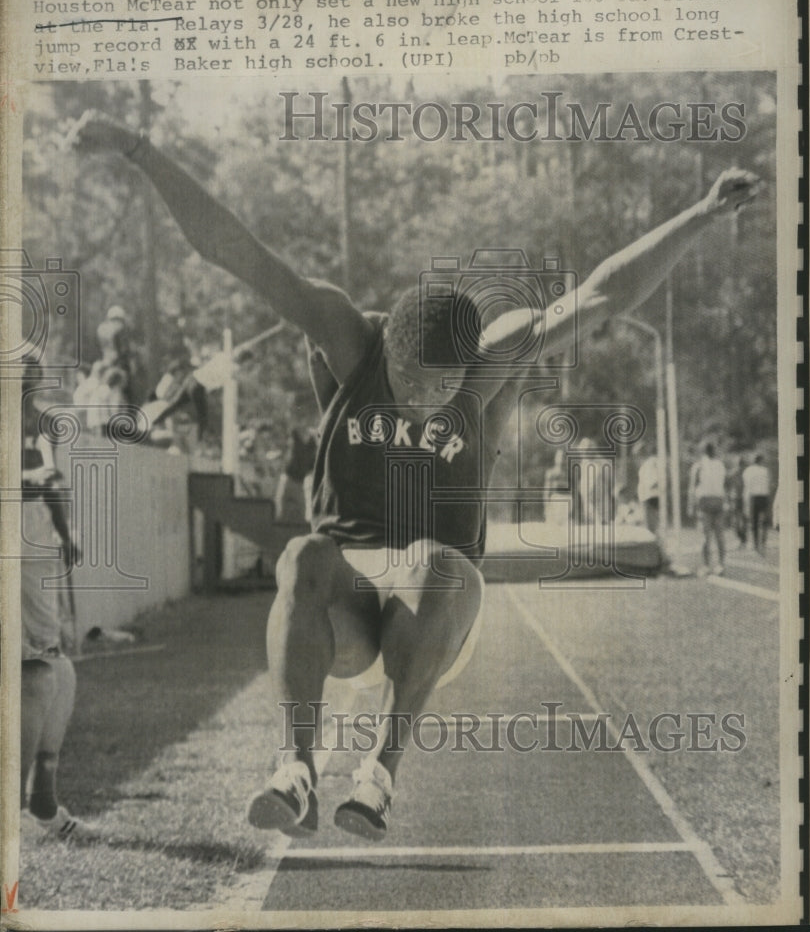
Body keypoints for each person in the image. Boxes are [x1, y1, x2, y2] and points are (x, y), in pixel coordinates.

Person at [70, 109, 759, 841]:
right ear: (384, 352)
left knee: (434, 563)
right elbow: (236, 251)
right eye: (410, 384)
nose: (428, 400)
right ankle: (294, 772)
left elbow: (600, 296)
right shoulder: (348, 337)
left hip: (429, 609)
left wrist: (702, 213)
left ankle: (378, 775)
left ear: (469, 370)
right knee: (302, 552)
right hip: (346, 609)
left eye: (443, 388)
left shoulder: (490, 365)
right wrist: (137, 148)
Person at [20, 357, 99, 841]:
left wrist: (66, 534)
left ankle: (42, 808)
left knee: (59, 673)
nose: (31, 376)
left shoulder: (41, 420)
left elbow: (51, 479)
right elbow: (36, 480)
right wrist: (33, 483)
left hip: (34, 543)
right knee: (37, 678)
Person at [688, 442, 728, 576]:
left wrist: (691, 506)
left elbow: (693, 488)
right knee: (719, 535)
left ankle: (706, 565)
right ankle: (720, 565)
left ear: (703, 452)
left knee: (706, 535)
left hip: (705, 501)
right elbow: (724, 484)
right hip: (718, 500)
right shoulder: (720, 465)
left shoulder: (698, 466)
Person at [742, 453, 771, 554]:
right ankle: (763, 542)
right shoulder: (765, 470)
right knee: (763, 521)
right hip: (763, 497)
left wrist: (746, 500)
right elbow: (767, 485)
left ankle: (755, 544)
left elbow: (747, 486)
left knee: (754, 521)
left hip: (753, 497)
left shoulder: (748, 471)